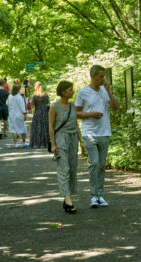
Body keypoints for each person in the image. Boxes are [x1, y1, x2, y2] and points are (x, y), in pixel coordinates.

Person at [75, 65, 119, 208]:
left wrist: (108, 91)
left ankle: (100, 195)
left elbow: (116, 106)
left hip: (104, 132)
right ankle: (94, 196)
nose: (103, 79)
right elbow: (76, 113)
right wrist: (90, 114)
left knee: (101, 166)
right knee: (94, 163)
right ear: (92, 76)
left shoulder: (104, 91)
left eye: (104, 76)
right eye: (100, 76)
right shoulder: (83, 92)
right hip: (89, 133)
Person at [49, 80, 84, 214]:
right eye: (70, 89)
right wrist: (53, 144)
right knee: (64, 169)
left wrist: (81, 141)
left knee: (72, 170)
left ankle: (66, 197)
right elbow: (51, 126)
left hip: (73, 138)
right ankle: (68, 201)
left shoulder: (72, 105)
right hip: (61, 139)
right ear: (63, 91)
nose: (72, 91)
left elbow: (75, 124)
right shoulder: (54, 106)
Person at [29, 81, 50, 148]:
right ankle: (44, 143)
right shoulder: (45, 95)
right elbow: (48, 103)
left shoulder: (34, 96)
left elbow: (32, 105)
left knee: (37, 127)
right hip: (44, 112)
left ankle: (36, 143)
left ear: (36, 87)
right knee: (44, 127)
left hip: (38, 112)